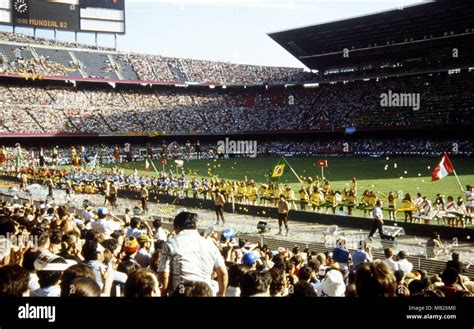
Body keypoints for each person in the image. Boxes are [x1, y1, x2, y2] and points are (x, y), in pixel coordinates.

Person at [157, 212, 228, 296]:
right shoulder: (210, 244)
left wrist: (163, 295)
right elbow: (223, 273)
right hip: (205, 293)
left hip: (181, 292)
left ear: (177, 227)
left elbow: (164, 275)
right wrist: (221, 294)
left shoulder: (171, 244)